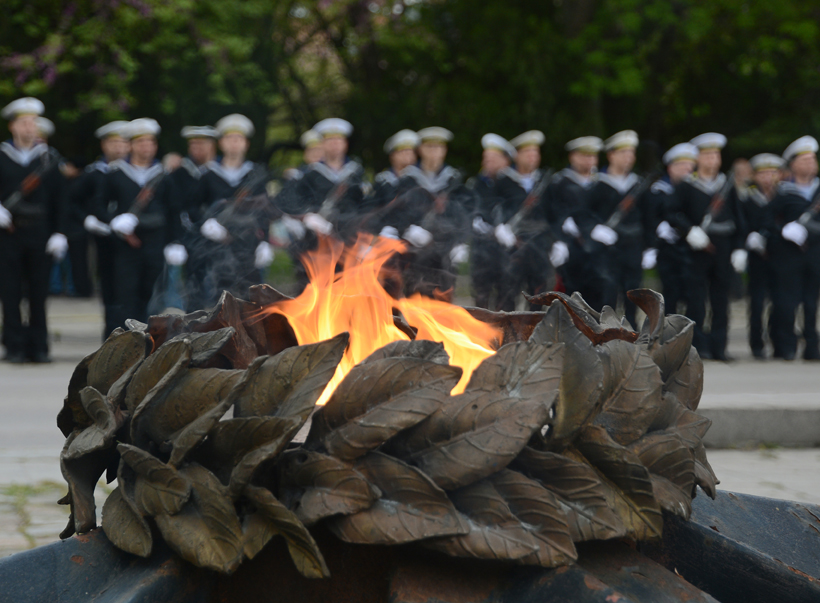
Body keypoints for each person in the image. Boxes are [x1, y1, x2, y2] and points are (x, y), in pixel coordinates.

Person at [95, 118, 187, 326]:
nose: (147, 147)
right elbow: (98, 205)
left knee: (152, 296)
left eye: (151, 142)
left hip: (156, 242)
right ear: (131, 145)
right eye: (141, 142)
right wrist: (113, 220)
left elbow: (174, 210)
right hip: (125, 245)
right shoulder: (115, 173)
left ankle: (149, 346)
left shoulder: (163, 176)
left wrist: (175, 242)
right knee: (124, 296)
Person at [0, 97, 69, 363]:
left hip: (41, 233)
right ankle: (15, 345)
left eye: (33, 123)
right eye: (24, 122)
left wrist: (60, 233)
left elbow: (61, 200)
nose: (30, 128)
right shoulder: (3, 157)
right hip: (9, 234)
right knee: (11, 293)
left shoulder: (49, 160)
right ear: (13, 127)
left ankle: (39, 346)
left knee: (39, 294)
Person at [668, 132, 746, 360]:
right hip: (697, 250)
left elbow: (739, 219)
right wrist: (689, 231)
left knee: (721, 299)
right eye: (707, 155)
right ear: (698, 159)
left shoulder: (727, 185)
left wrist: (740, 247)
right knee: (696, 300)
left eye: (716, 155)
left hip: (723, 248)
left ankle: (719, 346)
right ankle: (698, 346)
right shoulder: (687, 185)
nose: (712, 160)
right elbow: (672, 213)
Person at [378, 127, 471, 300]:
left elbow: (464, 214)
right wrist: (407, 229)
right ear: (420, 150)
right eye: (429, 147)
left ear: (444, 150)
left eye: (438, 147)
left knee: (444, 301)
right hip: (416, 251)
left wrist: (461, 242)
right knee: (416, 299)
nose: (434, 152)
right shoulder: (408, 180)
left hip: (446, 250)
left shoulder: (454, 180)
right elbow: (395, 212)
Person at [276, 118, 368, 289]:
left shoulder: (356, 173)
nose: (334, 144)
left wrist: (365, 237)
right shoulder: (309, 173)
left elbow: (366, 206)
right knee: (312, 292)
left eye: (338, 139)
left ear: (345, 143)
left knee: (347, 292)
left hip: (348, 241)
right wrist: (307, 215)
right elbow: (287, 200)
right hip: (315, 244)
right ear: (322, 144)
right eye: (329, 140)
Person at [194, 114, 276, 304]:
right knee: (220, 302)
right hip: (217, 246)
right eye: (230, 139)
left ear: (246, 144)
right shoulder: (208, 174)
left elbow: (265, 210)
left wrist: (265, 241)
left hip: (249, 245)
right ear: (221, 143)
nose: (234, 144)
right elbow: (193, 206)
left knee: (252, 302)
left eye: (238, 139)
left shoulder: (255, 174)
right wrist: (206, 224)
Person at [70, 120, 130, 337]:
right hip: (105, 237)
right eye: (114, 142)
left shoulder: (135, 172)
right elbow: (72, 200)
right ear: (104, 145)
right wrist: (87, 219)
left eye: (124, 143)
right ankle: (111, 333)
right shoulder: (94, 173)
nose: (119, 147)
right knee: (109, 288)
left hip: (132, 239)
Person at [491, 130, 560, 310]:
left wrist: (559, 241)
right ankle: (507, 335)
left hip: (539, 244)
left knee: (539, 294)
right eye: (527, 152)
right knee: (507, 294)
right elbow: (493, 208)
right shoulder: (503, 181)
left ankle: (535, 335)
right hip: (512, 245)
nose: (532, 156)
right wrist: (499, 227)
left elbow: (555, 214)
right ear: (516, 155)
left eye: (535, 152)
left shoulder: (546, 182)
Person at [767, 136, 820, 361]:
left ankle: (811, 347)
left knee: (811, 303)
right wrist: (783, 230)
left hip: (815, 254)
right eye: (805, 160)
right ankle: (786, 346)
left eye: (813, 159)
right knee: (787, 303)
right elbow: (766, 221)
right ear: (794, 164)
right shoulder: (783, 192)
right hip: (788, 256)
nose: (810, 163)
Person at [588, 130, 647, 325]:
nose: (628, 158)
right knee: (607, 296)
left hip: (633, 247)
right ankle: (605, 337)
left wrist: (649, 246)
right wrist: (594, 229)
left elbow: (649, 217)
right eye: (623, 153)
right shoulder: (597, 185)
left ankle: (632, 338)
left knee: (633, 296)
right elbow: (584, 213)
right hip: (607, 251)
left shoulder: (638, 184)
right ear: (611, 155)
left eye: (631, 153)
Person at [544, 136, 603, 307]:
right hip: (571, 251)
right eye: (584, 155)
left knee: (598, 298)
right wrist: (558, 240)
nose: (589, 160)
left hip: (597, 251)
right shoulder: (559, 183)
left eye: (592, 156)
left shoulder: (601, 184)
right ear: (573, 157)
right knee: (570, 298)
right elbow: (552, 215)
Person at [644, 142, 698, 315]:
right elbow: (649, 216)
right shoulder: (659, 190)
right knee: (671, 293)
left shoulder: (693, 191)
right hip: (667, 249)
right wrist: (657, 232)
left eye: (690, 165)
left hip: (690, 247)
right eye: (682, 165)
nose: (687, 169)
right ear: (670, 167)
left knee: (693, 294)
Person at [738, 153, 782, 358]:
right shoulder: (747, 198)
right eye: (763, 173)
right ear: (755, 176)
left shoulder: (783, 197)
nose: (767, 177)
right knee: (756, 302)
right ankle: (757, 343)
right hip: (757, 257)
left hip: (780, 255)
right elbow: (741, 222)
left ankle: (778, 340)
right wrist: (749, 237)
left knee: (780, 300)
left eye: (772, 172)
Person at [468, 133, 515, 310]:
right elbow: (471, 210)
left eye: (493, 158)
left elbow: (516, 209)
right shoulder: (476, 184)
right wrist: (480, 224)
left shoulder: (512, 184)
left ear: (506, 161)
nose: (488, 162)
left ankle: (507, 337)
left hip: (507, 252)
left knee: (507, 297)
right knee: (481, 296)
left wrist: (507, 228)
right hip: (482, 251)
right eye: (486, 158)